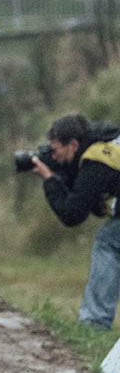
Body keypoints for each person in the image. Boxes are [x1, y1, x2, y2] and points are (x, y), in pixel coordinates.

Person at [29, 114, 120, 330]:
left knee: (107, 242)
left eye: (55, 149)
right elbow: (89, 199)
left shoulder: (97, 158)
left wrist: (49, 179)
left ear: (73, 144)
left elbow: (72, 214)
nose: (54, 155)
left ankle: (94, 322)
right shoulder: (104, 142)